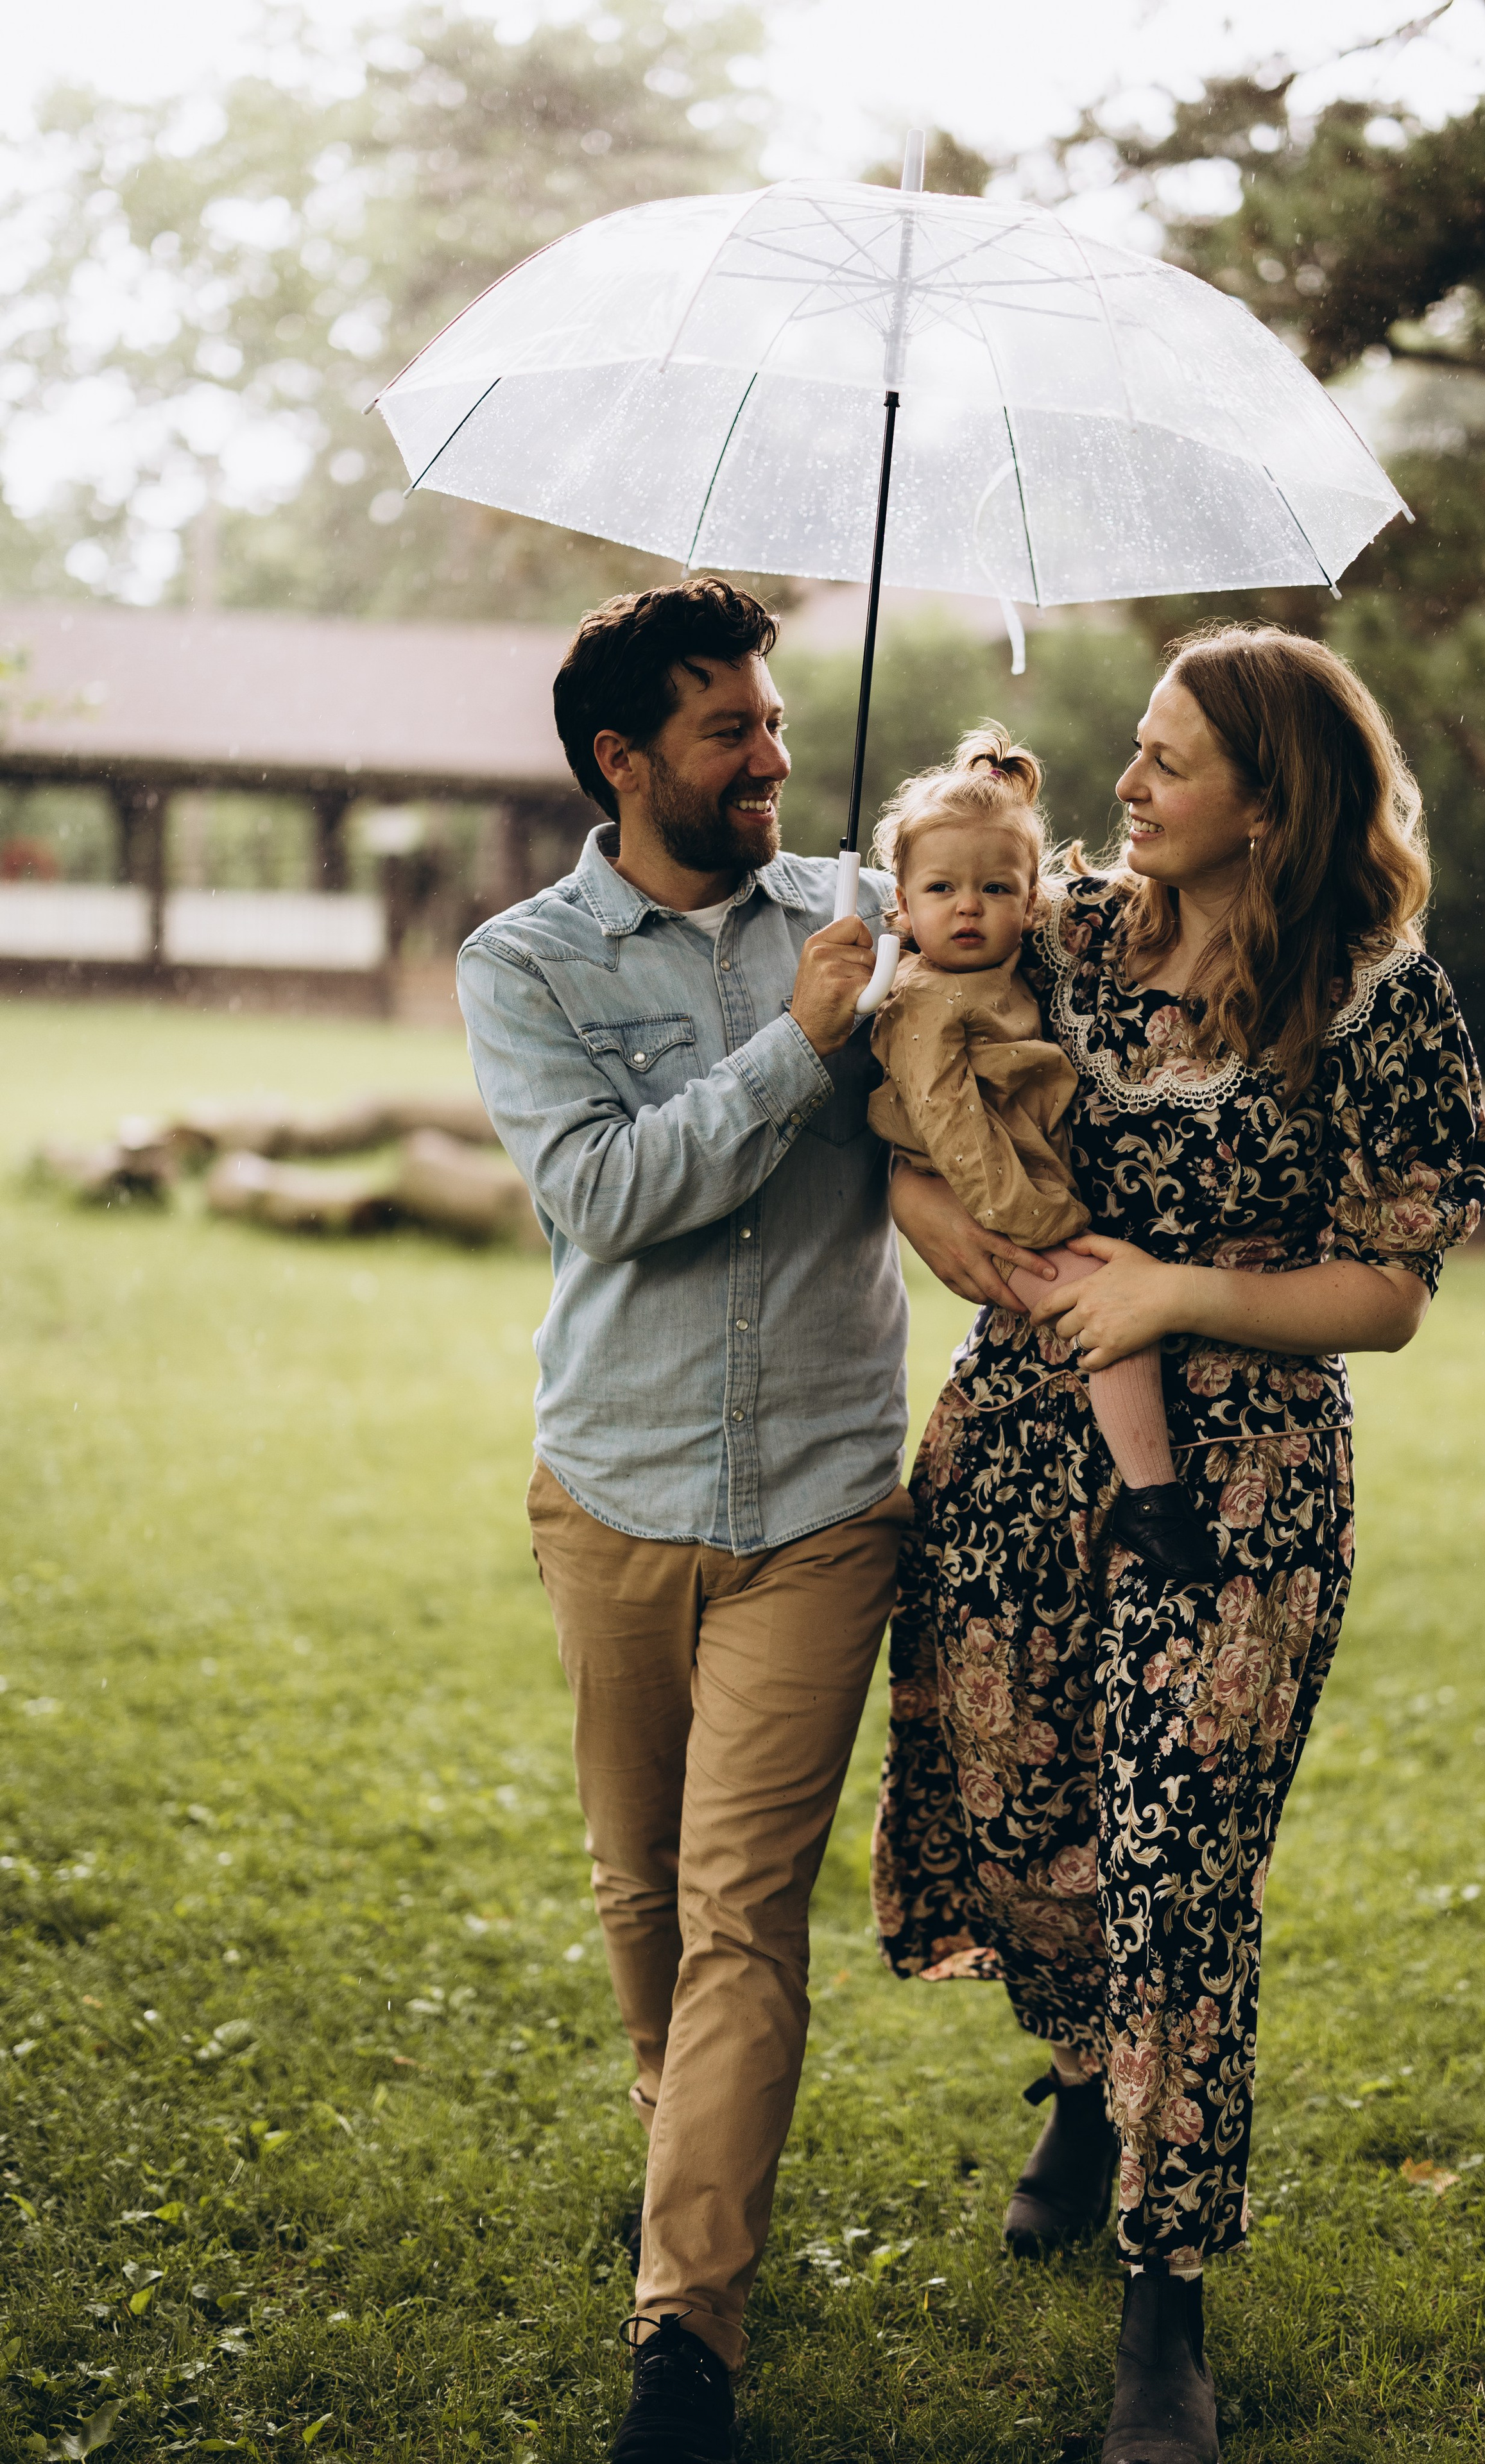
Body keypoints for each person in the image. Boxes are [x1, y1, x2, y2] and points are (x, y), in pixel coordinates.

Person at [874, 624, 1485, 2464]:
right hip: (1015, 1442)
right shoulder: (1058, 939)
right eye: (1136, 754)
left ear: (1268, 803)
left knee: (1182, 1870)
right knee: (1014, 1812)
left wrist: (1178, 1295)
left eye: (1167, 763)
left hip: (1243, 1484)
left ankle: (1167, 2324)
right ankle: (1085, 2083)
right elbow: (901, 1124)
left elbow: (1389, 1289)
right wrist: (972, 1245)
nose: (1126, 784)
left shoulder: (1375, 995)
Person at [457, 577, 911, 2464]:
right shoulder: (528, 963)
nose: (775, 758)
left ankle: (685, 2339)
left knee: (741, 1910)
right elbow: (610, 1195)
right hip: (620, 1486)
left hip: (822, 1498)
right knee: (639, 1890)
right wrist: (794, 1051)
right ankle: (685, 2144)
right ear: (621, 758)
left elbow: (968, 1135)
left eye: (780, 722)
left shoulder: (864, 928)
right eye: (729, 730)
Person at [866, 723, 1215, 1581]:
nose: (969, 908)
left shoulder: (1007, 964)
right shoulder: (925, 1003)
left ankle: (1143, 1485)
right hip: (997, 1204)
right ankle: (1153, 1494)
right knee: (1110, 1314)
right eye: (941, 889)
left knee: (1109, 1311)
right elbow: (954, 1130)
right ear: (902, 907)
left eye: (996, 888)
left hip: (1019, 1183)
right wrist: (1043, 1222)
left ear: (1033, 905)